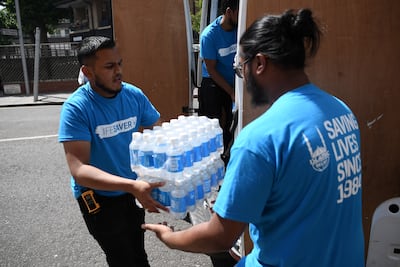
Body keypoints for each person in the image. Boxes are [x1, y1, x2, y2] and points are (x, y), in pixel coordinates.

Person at [142, 9, 365, 267]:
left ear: (259, 64)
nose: (243, 78)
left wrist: (171, 237)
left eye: (239, 68)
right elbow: (306, 196)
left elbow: (220, 238)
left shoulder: (260, 139)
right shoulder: (341, 111)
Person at [58, 36, 168, 267]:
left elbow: (157, 134)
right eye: (109, 66)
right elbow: (79, 169)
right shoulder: (77, 108)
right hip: (99, 197)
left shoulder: (133, 95)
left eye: (119, 63)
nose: (118, 71)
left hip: (132, 191)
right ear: (88, 72)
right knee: (121, 258)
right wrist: (132, 185)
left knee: (137, 252)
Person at [199, 0, 239, 153]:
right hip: (214, 80)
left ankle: (228, 152)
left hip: (234, 79)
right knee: (213, 122)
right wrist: (231, 92)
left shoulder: (240, 30)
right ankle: (211, 152)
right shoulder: (209, 35)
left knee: (232, 120)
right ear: (229, 12)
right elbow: (211, 69)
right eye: (238, 12)